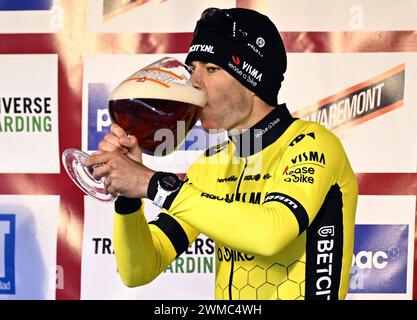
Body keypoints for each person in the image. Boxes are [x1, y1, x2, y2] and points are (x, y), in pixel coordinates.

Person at [85, 7, 358, 300]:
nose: (194, 81)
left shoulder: (313, 144)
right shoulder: (212, 164)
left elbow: (270, 234)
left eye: (211, 69)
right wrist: (128, 197)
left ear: (253, 82)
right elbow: (138, 270)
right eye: (193, 69)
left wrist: (153, 185)